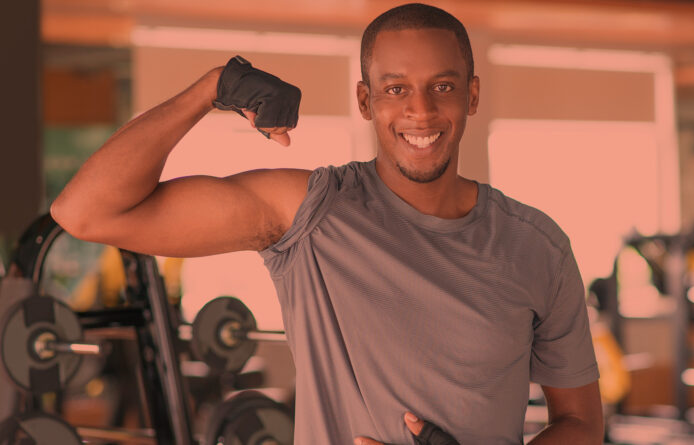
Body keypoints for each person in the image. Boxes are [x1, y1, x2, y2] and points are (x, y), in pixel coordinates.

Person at [51, 3, 603, 444]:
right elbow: (85, 212)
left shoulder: (538, 246)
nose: (421, 111)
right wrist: (211, 88)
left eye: (442, 86)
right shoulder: (310, 212)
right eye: (394, 89)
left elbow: (581, 422)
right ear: (365, 101)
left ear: (472, 94)